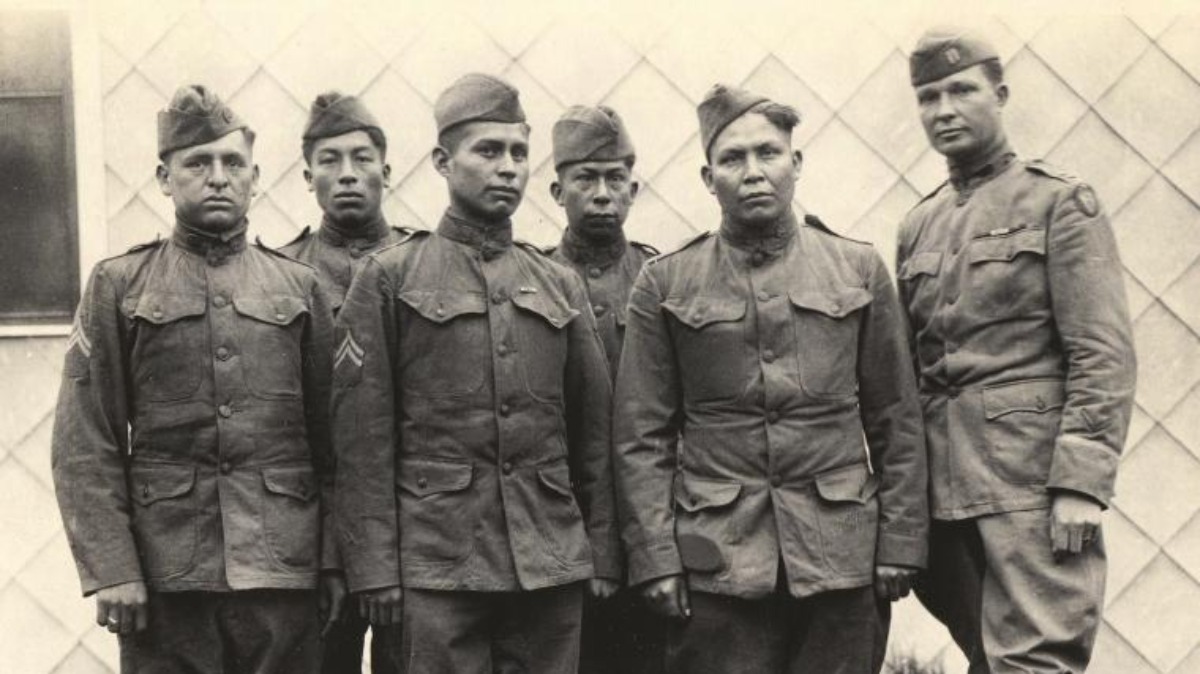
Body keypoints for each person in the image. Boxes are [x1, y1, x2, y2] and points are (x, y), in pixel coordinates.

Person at [613, 83, 928, 674]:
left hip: (841, 557)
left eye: (769, 153)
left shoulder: (857, 267)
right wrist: (655, 558)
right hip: (717, 564)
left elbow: (895, 417)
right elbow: (641, 437)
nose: (753, 171)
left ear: (796, 163)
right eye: (732, 159)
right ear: (708, 179)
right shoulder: (666, 283)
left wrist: (902, 542)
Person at [331, 73, 618, 674]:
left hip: (547, 563)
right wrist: (376, 569)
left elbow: (595, 434)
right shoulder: (389, 278)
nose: (508, 167)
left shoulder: (557, 283)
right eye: (487, 151)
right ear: (442, 160)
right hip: (435, 569)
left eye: (518, 152)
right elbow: (362, 444)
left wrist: (602, 553)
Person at [51, 84, 338, 673]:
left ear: (254, 178)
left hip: (282, 573)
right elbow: (86, 441)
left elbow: (335, 443)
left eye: (233, 163)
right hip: (166, 581)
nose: (217, 177)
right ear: (164, 178)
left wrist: (333, 561)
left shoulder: (301, 288)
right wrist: (115, 568)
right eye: (197, 163)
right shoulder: (120, 286)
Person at [896, 29, 1137, 674]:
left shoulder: (1059, 202)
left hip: (1029, 486)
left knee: (1037, 660)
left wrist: (1081, 484)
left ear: (999, 95)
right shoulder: (919, 224)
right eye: (927, 97)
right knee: (986, 658)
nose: (943, 109)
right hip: (942, 495)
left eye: (961, 90)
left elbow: (1102, 353)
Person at [279, 91, 408, 674]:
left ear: (388, 168)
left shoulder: (423, 264)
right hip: (308, 538)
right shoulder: (282, 275)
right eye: (330, 160)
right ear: (307, 175)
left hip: (412, 533)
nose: (348, 174)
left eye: (362, 157)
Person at [544, 104, 663, 674]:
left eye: (615, 179)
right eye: (585, 179)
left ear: (633, 190)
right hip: (563, 526)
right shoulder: (533, 281)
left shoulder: (661, 278)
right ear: (556, 189)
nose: (601, 193)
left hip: (651, 526)